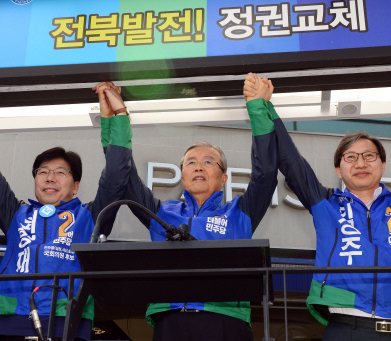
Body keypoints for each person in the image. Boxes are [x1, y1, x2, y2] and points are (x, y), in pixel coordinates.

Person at [243, 66, 391, 340]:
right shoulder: (325, 203)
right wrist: (261, 106)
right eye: (350, 157)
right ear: (338, 170)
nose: (360, 162)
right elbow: (289, 159)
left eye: (369, 156)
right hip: (347, 329)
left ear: (383, 165)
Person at [99, 78, 278, 341]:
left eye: (209, 162)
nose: (198, 167)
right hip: (171, 323)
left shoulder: (240, 213)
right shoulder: (160, 214)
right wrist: (117, 118)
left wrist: (256, 107)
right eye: (190, 162)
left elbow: (266, 173)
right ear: (182, 176)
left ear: (224, 177)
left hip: (225, 322)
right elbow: (122, 175)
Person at [0, 83, 131, 341]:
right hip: (1, 320)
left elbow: (116, 175)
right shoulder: (15, 213)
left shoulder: (90, 218)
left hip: (64, 319)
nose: (50, 177)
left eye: (61, 172)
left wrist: (118, 115)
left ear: (76, 186)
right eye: (43, 172)